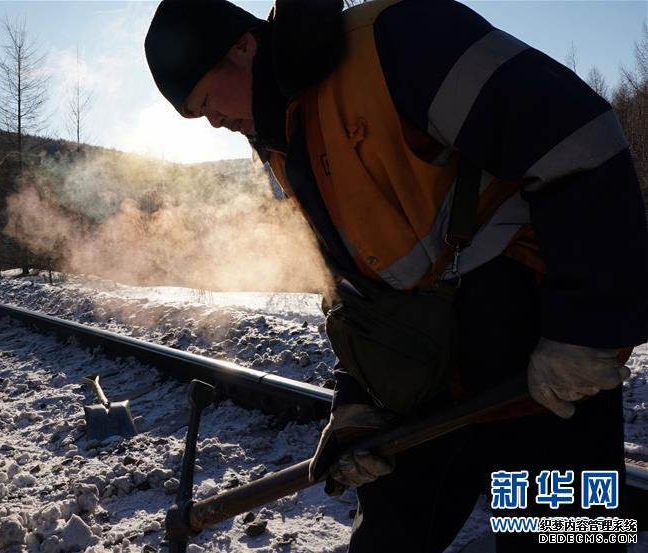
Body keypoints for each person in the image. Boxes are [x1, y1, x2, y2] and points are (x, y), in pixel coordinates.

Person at [145, 1, 648, 551]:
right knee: (388, 541)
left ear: (243, 46)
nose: (213, 122)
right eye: (197, 116)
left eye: (205, 101)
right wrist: (355, 400)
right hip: (427, 380)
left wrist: (586, 327)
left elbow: (580, 141)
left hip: (540, 363)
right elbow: (351, 284)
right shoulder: (281, 147)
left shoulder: (396, 42)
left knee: (566, 538)